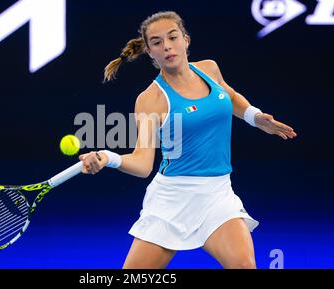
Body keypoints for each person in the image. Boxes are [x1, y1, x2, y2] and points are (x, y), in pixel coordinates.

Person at [78, 11, 297, 269]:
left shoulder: (209, 69)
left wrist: (254, 116)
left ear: (186, 40)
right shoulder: (151, 100)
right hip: (172, 200)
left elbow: (230, 96)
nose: (167, 46)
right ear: (149, 51)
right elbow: (142, 163)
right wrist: (108, 157)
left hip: (218, 195)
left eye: (172, 37)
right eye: (157, 42)